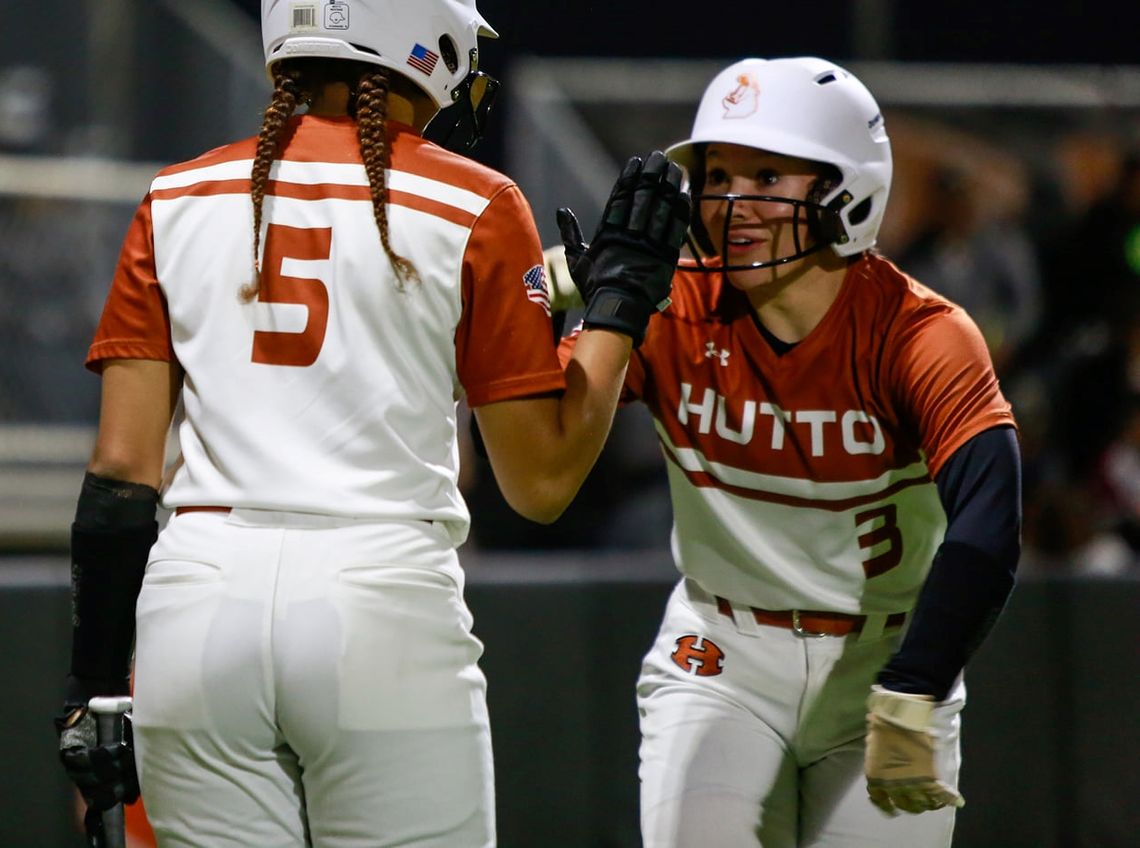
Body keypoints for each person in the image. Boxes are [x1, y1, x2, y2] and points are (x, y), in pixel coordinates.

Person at [53, 1, 689, 845]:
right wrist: (617, 308)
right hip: (378, 599)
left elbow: (120, 478)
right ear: (427, 40)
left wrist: (93, 692)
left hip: (195, 608)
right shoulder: (477, 200)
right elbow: (541, 481)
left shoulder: (176, 195)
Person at [551, 56, 1022, 847]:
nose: (732, 204)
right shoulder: (672, 301)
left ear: (850, 189)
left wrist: (919, 679)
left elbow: (989, 519)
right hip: (719, 656)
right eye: (718, 176)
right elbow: (538, 421)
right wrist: (552, 287)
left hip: (885, 661)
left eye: (766, 175)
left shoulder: (921, 334)